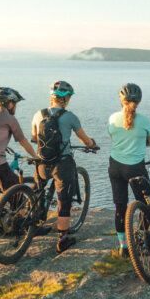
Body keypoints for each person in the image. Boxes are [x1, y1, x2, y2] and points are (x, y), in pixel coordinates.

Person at [32, 80, 98, 253]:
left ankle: (31, 224)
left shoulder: (38, 114)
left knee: (37, 192)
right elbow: (84, 139)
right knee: (64, 199)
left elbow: (33, 137)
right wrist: (92, 145)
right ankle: (63, 239)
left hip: (42, 162)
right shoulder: (70, 117)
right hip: (62, 162)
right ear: (66, 98)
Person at [107, 82, 150, 253]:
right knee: (146, 204)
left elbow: (114, 138)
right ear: (139, 101)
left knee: (120, 206)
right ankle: (143, 243)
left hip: (115, 167)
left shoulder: (113, 118)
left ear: (121, 100)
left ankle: (123, 247)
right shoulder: (145, 120)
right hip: (135, 168)